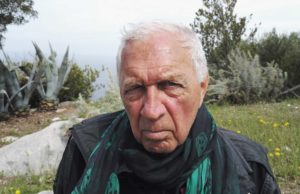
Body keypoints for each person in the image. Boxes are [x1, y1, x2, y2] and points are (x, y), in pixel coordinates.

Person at [53, 22, 281, 194]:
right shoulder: (85, 150)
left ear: (202, 88)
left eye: (170, 85)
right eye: (135, 88)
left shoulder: (249, 166)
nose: (151, 111)